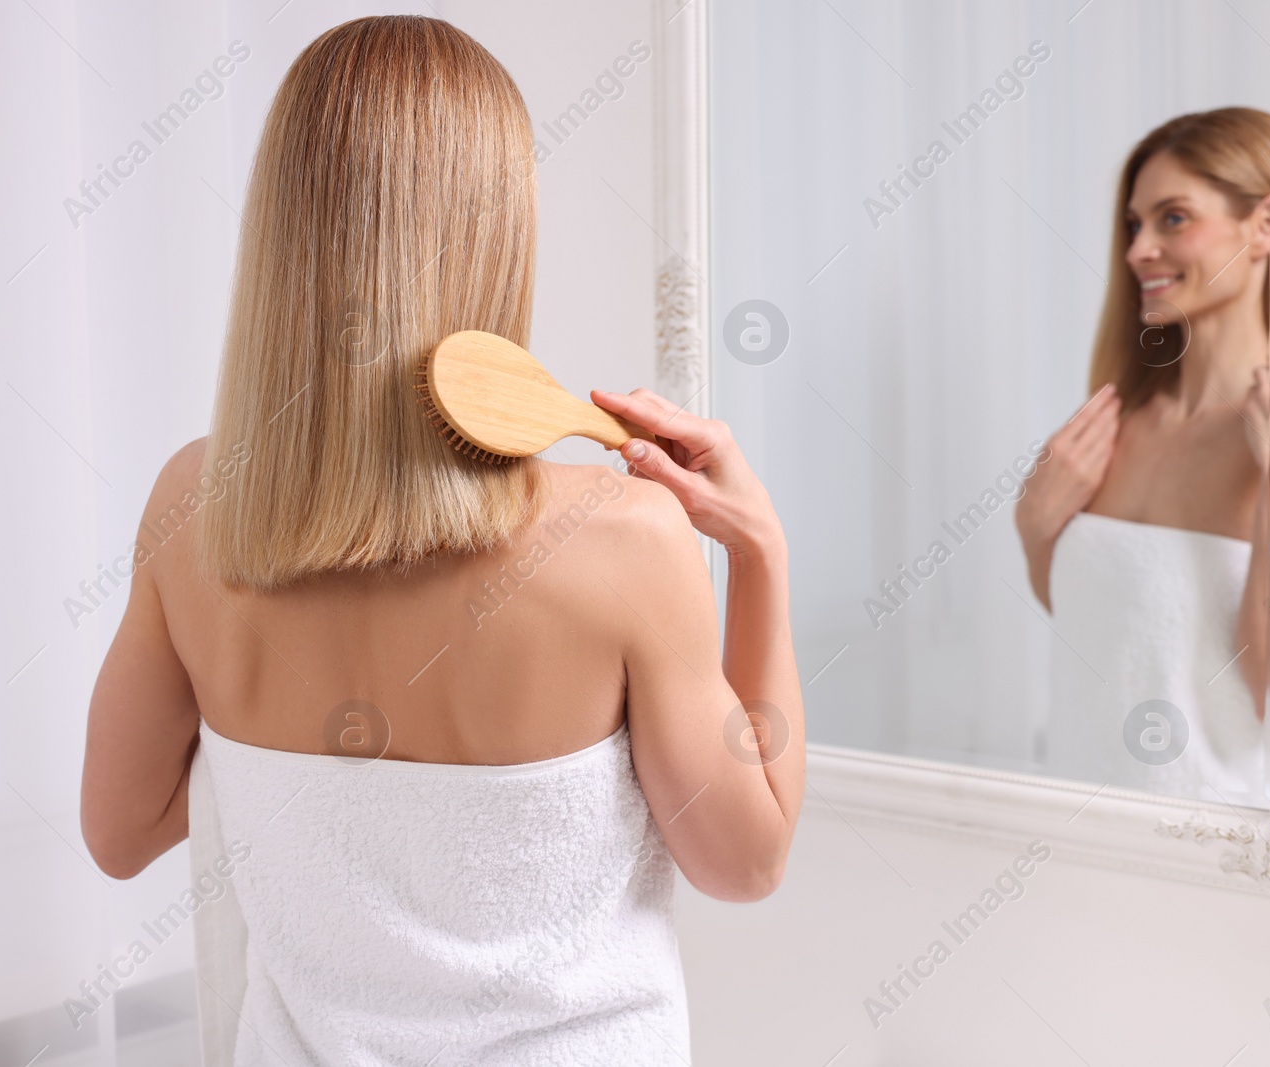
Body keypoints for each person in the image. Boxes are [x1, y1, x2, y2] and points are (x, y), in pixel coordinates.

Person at [77, 15, 804, 1065]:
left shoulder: (195, 511)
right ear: (494, 232)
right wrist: (761, 552)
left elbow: (120, 830)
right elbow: (748, 859)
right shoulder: (624, 543)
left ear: (284, 235)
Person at [1016, 108, 1270, 803]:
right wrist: (1035, 531)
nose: (1137, 251)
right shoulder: (1111, 426)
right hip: (1082, 829)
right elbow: (1098, 625)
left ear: (1266, 227)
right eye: (1135, 224)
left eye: (1173, 218)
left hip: (1213, 856)